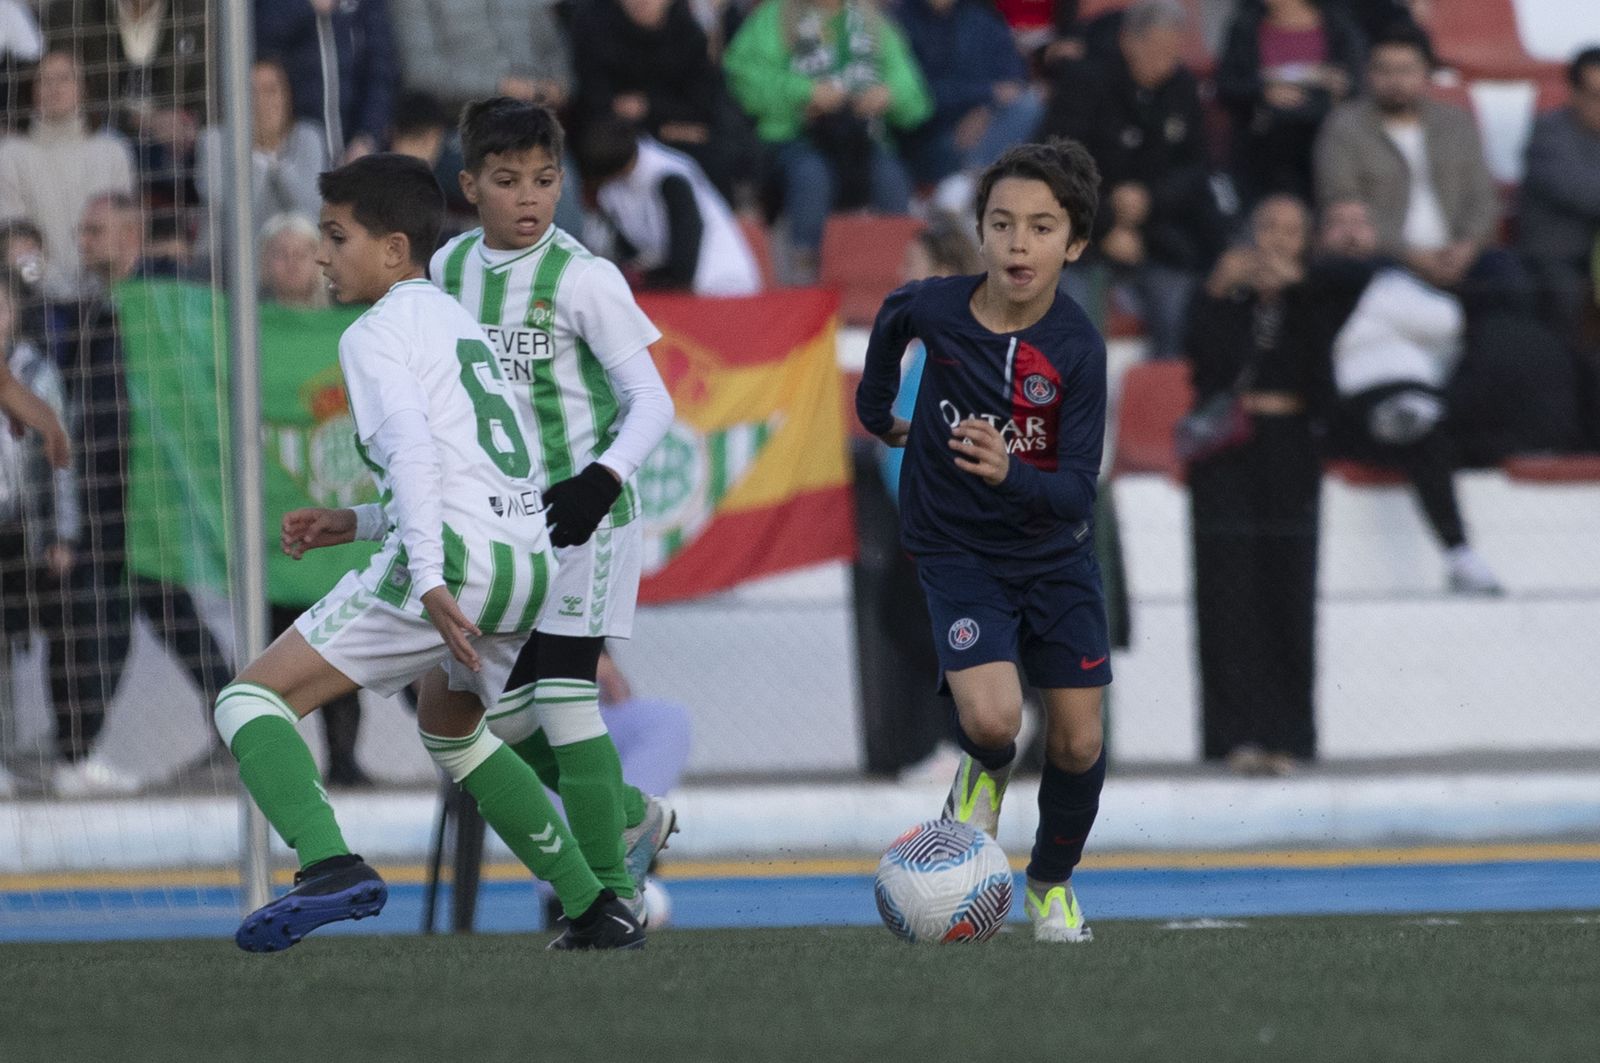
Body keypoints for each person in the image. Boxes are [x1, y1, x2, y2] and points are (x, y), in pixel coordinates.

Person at [222, 152, 642, 953]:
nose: (322, 256)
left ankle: (328, 863)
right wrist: (357, 521)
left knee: (247, 701)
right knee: (452, 726)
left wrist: (426, 576)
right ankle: (595, 908)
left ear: (392, 249)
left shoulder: (374, 333)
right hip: (526, 559)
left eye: (336, 237)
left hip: (453, 565)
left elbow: (415, 454)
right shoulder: (458, 323)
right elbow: (474, 470)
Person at [353, 98, 679, 921]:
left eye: (543, 179)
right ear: (469, 186)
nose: (528, 197)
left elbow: (652, 400)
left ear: (561, 182)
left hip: (589, 519)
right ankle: (631, 813)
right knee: (495, 721)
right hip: (501, 526)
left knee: (567, 702)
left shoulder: (585, 278)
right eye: (507, 181)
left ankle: (607, 902)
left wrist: (601, 479)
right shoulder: (448, 270)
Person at [856, 140, 1109, 942]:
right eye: (1002, 224)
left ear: (1074, 243)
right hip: (957, 549)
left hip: (1055, 553)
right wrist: (875, 411)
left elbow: (1076, 489)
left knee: (1078, 740)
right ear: (982, 233)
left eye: (1041, 227)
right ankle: (981, 771)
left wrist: (1010, 471)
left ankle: (1050, 882)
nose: (1017, 243)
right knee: (996, 720)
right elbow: (893, 316)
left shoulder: (1077, 349)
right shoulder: (937, 307)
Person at [1184, 194, 1332, 776]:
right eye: (1267, 227)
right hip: (1228, 449)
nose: (1277, 241)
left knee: (1288, 588)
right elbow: (1200, 361)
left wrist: (1299, 291)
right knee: (1226, 590)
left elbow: (1324, 374)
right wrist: (1218, 291)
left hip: (1288, 447)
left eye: (1291, 231)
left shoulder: (1315, 297)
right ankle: (1230, 735)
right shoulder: (1227, 296)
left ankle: (1290, 733)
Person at [1318, 197, 1501, 594]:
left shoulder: (1394, 279)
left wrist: (1373, 307)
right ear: (1321, 236)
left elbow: (1448, 320)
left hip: (1424, 393)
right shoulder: (1316, 284)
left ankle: (1415, 417)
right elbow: (1337, 336)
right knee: (1423, 432)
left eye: (1359, 223)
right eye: (1339, 224)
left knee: (1436, 423)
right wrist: (1395, 313)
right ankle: (1459, 554)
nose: (1350, 233)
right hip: (1356, 404)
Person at [1041, 0, 1224, 360]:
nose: (1164, 63)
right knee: (1074, 323)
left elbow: (1195, 169)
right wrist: (1107, 224)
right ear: (1128, 40)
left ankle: (1167, 393)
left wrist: (1150, 200)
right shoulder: (1085, 81)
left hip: (1158, 234)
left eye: (1172, 53)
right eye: (1155, 50)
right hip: (1081, 236)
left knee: (1180, 314)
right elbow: (1057, 167)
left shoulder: (1182, 87)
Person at [723, 0, 931, 280]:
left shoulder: (872, 21)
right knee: (812, 177)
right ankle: (806, 280)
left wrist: (888, 95)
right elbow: (742, 77)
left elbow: (915, 97)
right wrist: (806, 92)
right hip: (797, 140)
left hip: (863, 141)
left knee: (891, 179)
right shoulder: (776, 15)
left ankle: (897, 280)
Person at [1312, 24, 1501, 300]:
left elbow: (1483, 199)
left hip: (1458, 255)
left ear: (1426, 72)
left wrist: (1466, 248)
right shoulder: (1345, 127)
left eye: (1406, 70)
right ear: (1368, 73)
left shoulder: (1456, 124)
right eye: (1384, 71)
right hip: (1383, 257)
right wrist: (1411, 256)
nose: (1396, 81)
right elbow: (1342, 204)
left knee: (1507, 277)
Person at [0, 282, 74, 799]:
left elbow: (60, 457)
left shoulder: (36, 371)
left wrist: (61, 531)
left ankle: (56, 753)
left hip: (17, 528)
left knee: (15, 645)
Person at [0, 51, 136, 299]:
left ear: (83, 88)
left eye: (65, 78)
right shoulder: (10, 155)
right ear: (31, 89)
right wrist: (44, 287)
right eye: (44, 80)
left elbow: (124, 233)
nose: (54, 88)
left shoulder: (113, 151)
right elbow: (14, 241)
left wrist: (105, 290)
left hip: (107, 296)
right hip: (37, 299)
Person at [577, 118, 761, 296]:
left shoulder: (669, 176)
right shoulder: (613, 186)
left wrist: (670, 286)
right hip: (670, 281)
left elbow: (687, 241)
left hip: (716, 283)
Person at [570, 0, 738, 195]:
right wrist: (662, 127)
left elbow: (702, 103)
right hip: (618, 140)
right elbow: (597, 102)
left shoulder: (688, 34)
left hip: (680, 136)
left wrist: (650, 108)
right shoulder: (595, 29)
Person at [894, 0, 1043, 211]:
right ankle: (959, 196)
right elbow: (916, 96)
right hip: (930, 131)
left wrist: (985, 109)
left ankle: (967, 189)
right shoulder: (900, 22)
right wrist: (984, 93)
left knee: (1029, 104)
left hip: (986, 125)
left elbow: (1014, 77)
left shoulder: (980, 18)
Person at [1216, 0, 1365, 206]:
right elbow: (1227, 85)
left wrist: (1335, 87)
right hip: (1263, 144)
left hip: (1322, 139)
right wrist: (1265, 92)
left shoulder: (1338, 26)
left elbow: (1354, 83)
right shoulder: (1245, 26)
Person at [195, 59, 327, 258]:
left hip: (298, 261)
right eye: (250, 92)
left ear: (287, 97)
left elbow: (311, 209)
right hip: (228, 259)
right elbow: (228, 210)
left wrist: (274, 162)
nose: (260, 102)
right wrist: (256, 151)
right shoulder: (213, 141)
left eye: (271, 91)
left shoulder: (309, 137)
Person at [1519, 47, 1600, 351]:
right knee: (1567, 299)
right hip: (1559, 257)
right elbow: (1583, 192)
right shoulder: (1549, 133)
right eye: (1596, 96)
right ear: (1574, 93)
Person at [255, 0, 399, 162]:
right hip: (292, 152)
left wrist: (367, 136)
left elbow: (381, 71)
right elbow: (253, 38)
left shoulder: (366, 6)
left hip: (353, 153)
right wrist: (304, 6)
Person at [391, 0, 573, 113]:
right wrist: (500, 86)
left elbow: (553, 49)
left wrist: (560, 84)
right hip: (464, 127)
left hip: (537, 122)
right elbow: (421, 73)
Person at [259, 212, 328, 309]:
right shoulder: (247, 315)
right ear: (265, 263)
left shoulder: (342, 315)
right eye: (281, 254)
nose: (291, 264)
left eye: (301, 255)